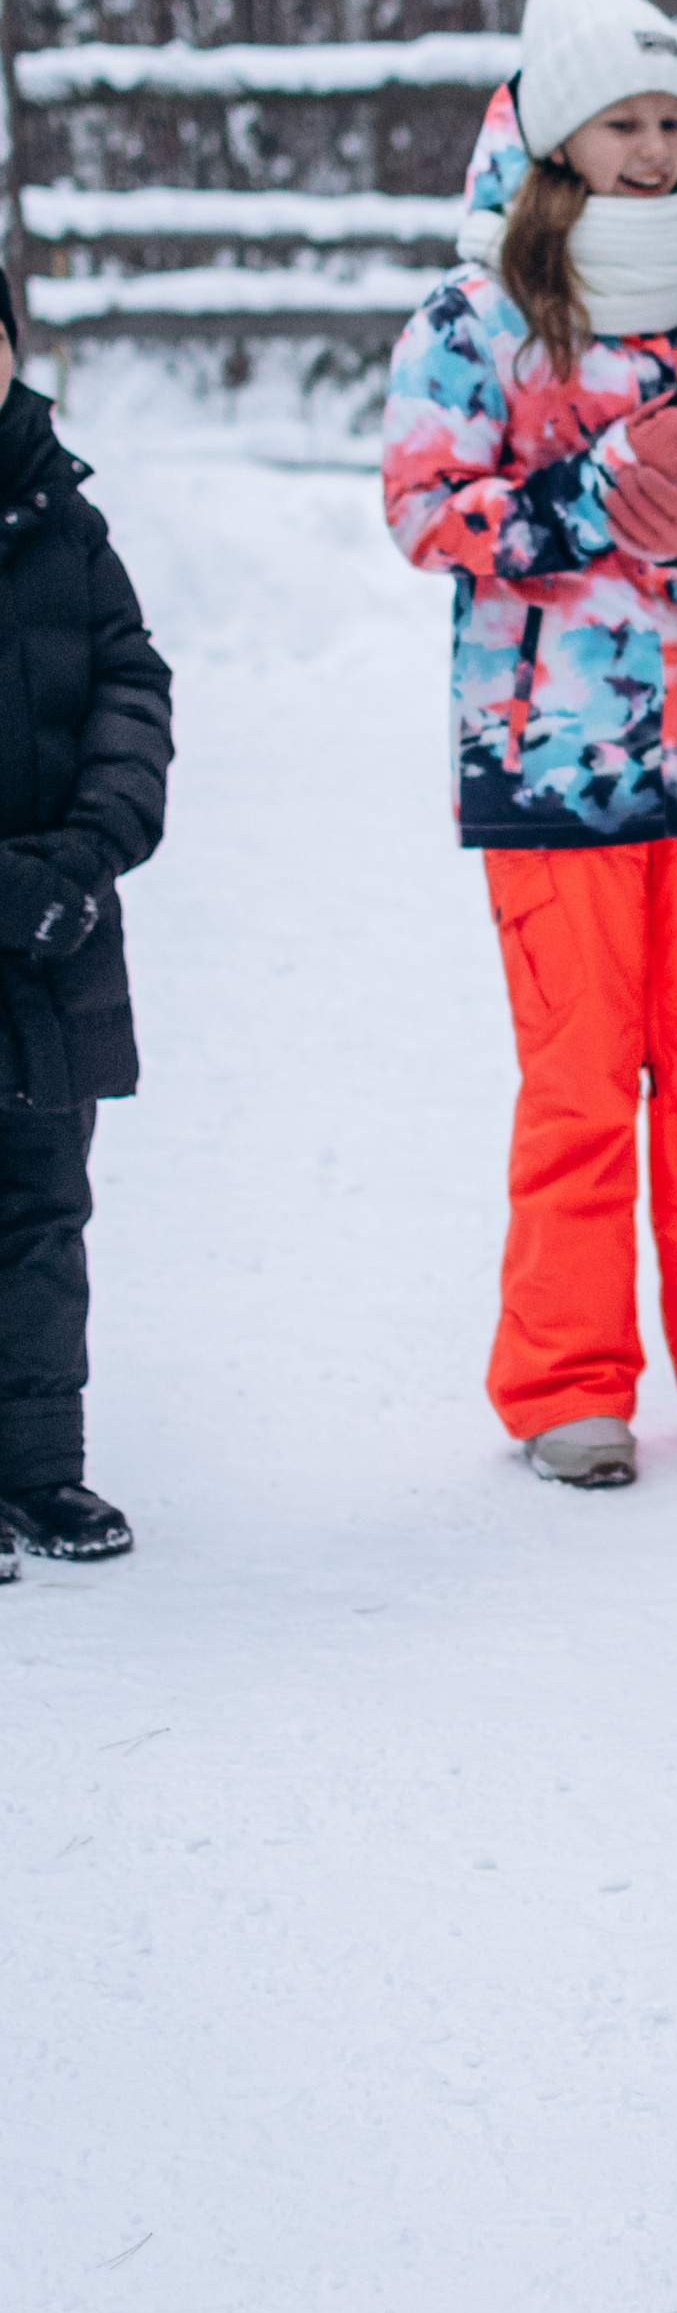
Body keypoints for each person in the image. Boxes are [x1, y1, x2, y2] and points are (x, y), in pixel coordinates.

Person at [383, 0, 677, 1489]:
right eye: (624, 121)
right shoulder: (475, 311)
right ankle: (568, 1383)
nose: (653, 149)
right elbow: (422, 508)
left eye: (670, 120)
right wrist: (576, 499)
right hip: (552, 768)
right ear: (561, 133)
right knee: (580, 1085)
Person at [0, 272, 174, 1567]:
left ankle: (40, 1473)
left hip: (57, 935)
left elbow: (131, 683)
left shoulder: (64, 518)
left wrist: (88, 853)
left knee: (43, 1215)